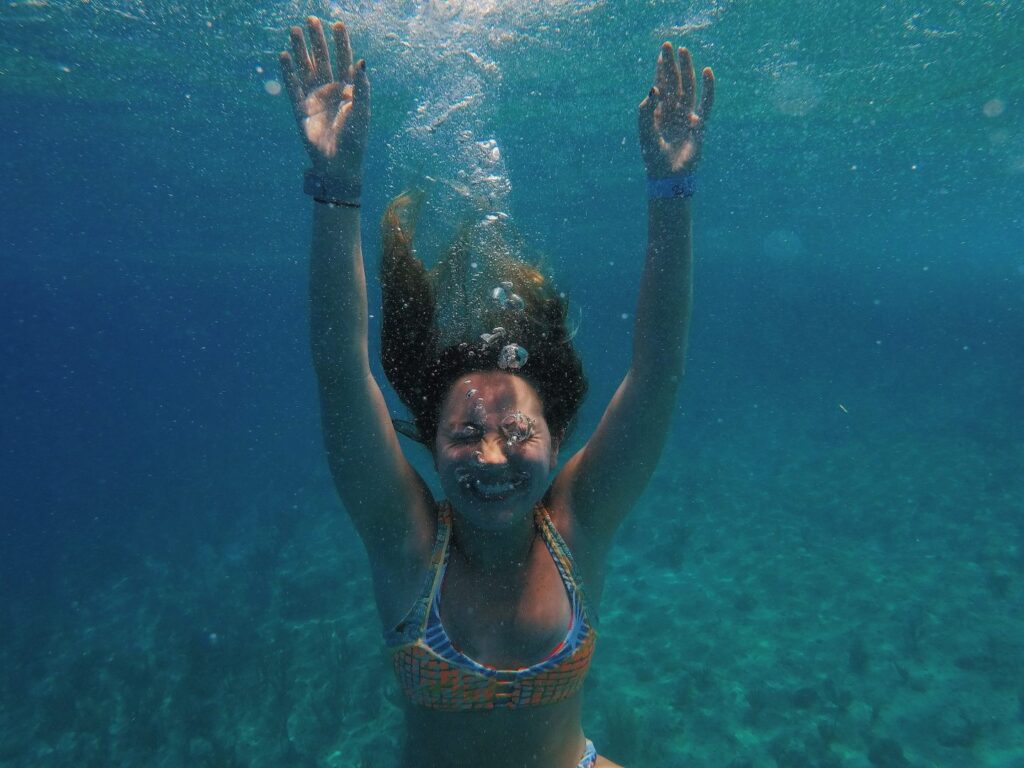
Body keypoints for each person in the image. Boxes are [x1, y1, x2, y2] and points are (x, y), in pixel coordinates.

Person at [279, 15, 714, 768]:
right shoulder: (408, 543)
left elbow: (658, 367)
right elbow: (340, 364)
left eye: (517, 434)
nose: (492, 457)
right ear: (428, 440)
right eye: (464, 435)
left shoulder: (579, 524)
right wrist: (335, 186)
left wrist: (672, 188)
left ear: (557, 437)